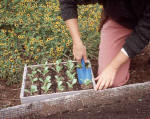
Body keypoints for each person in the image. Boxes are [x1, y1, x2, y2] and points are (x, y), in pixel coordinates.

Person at [58, 0, 150, 90]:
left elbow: (145, 32)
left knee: (139, 38)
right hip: (122, 21)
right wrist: (77, 42)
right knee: (111, 82)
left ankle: (128, 52)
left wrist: (113, 67)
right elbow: (67, 1)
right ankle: (126, 51)